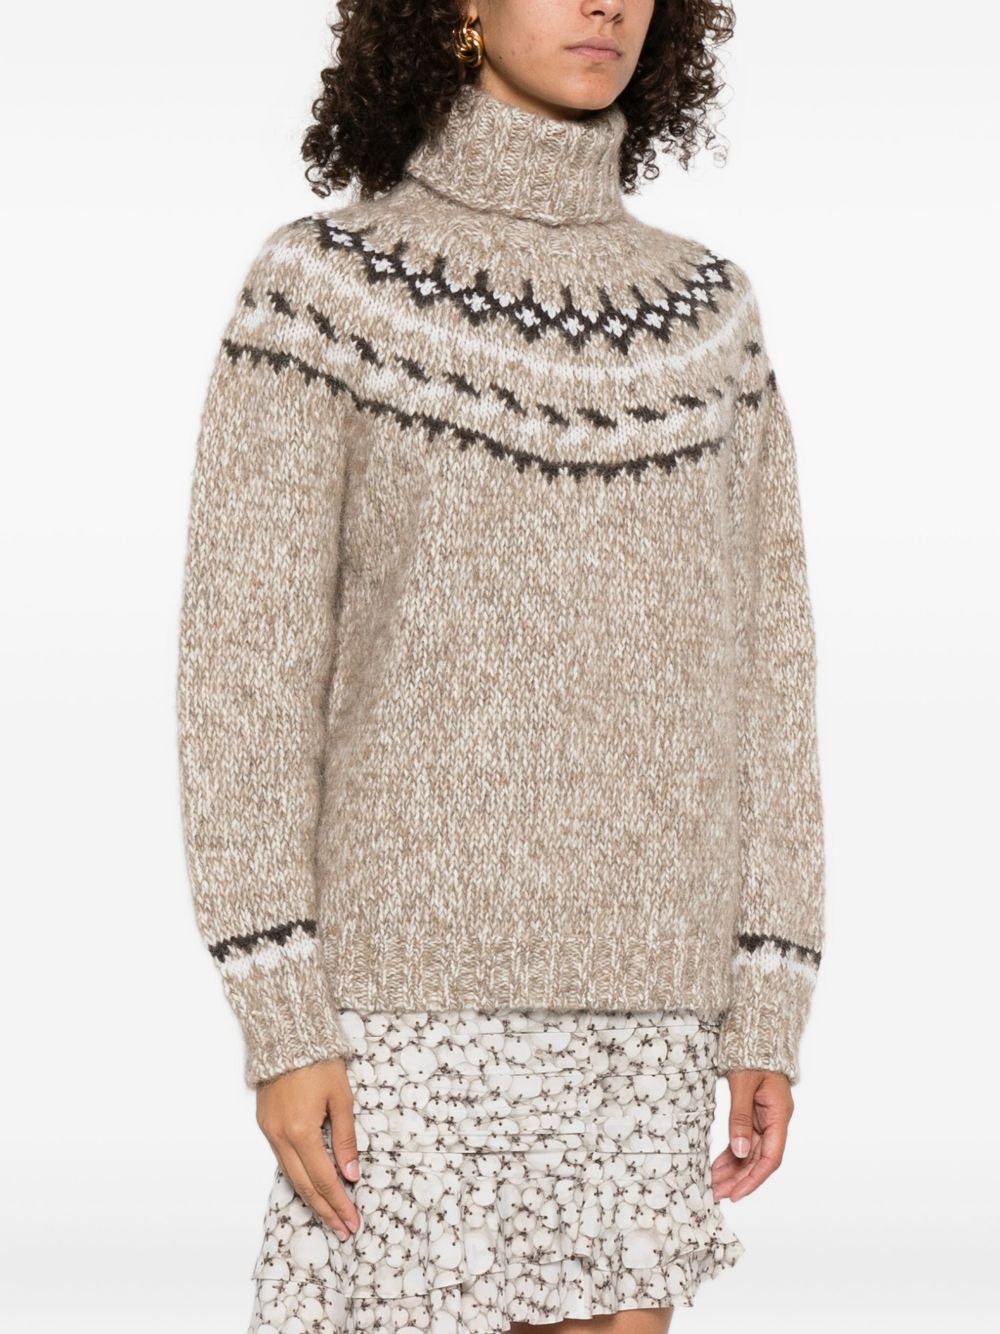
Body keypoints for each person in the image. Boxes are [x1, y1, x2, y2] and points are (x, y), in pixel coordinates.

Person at [175, 3, 826, 1330]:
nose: (606, 3)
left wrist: (770, 993)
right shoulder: (327, 289)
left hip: (649, 1011)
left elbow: (769, 675)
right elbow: (243, 675)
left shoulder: (711, 321)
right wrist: (281, 1013)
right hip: (398, 1017)